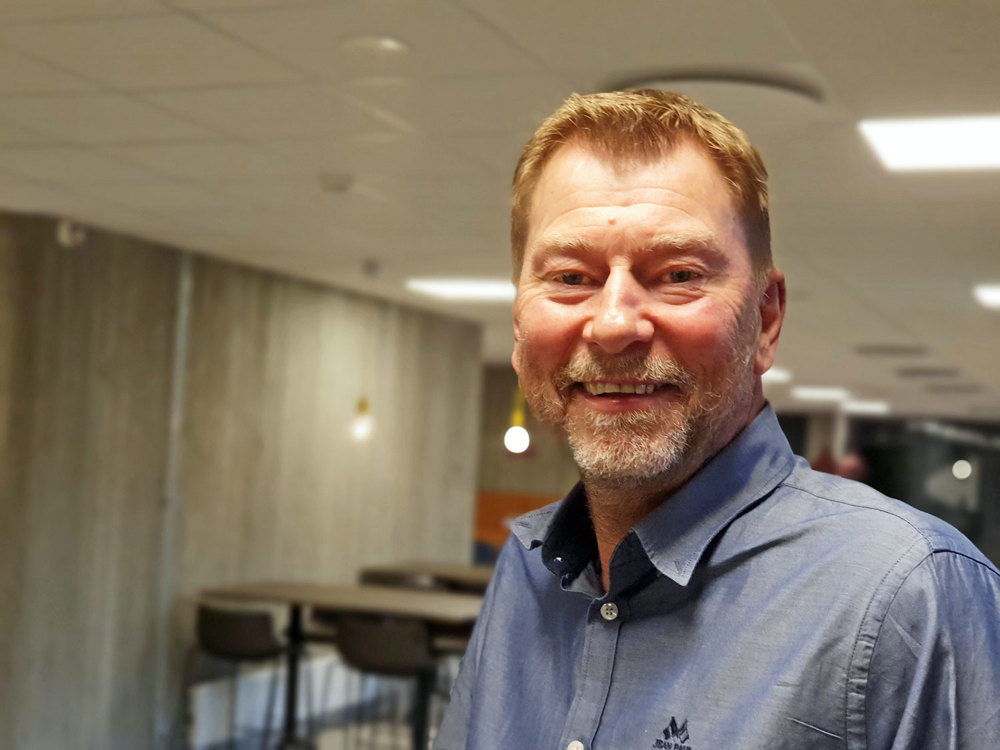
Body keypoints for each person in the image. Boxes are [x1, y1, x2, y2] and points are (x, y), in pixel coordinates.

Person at [433, 90, 1000, 749]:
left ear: (765, 318)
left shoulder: (911, 596)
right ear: (518, 326)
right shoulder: (528, 572)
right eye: (569, 276)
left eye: (678, 273)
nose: (614, 323)